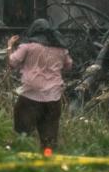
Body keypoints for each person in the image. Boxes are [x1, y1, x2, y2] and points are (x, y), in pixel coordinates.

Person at [7, 18, 73, 151]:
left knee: (22, 132)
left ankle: (23, 156)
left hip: (30, 97)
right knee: (49, 137)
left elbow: (12, 62)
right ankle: (47, 160)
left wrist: (9, 46)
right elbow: (68, 66)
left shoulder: (27, 47)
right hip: (53, 98)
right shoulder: (61, 50)